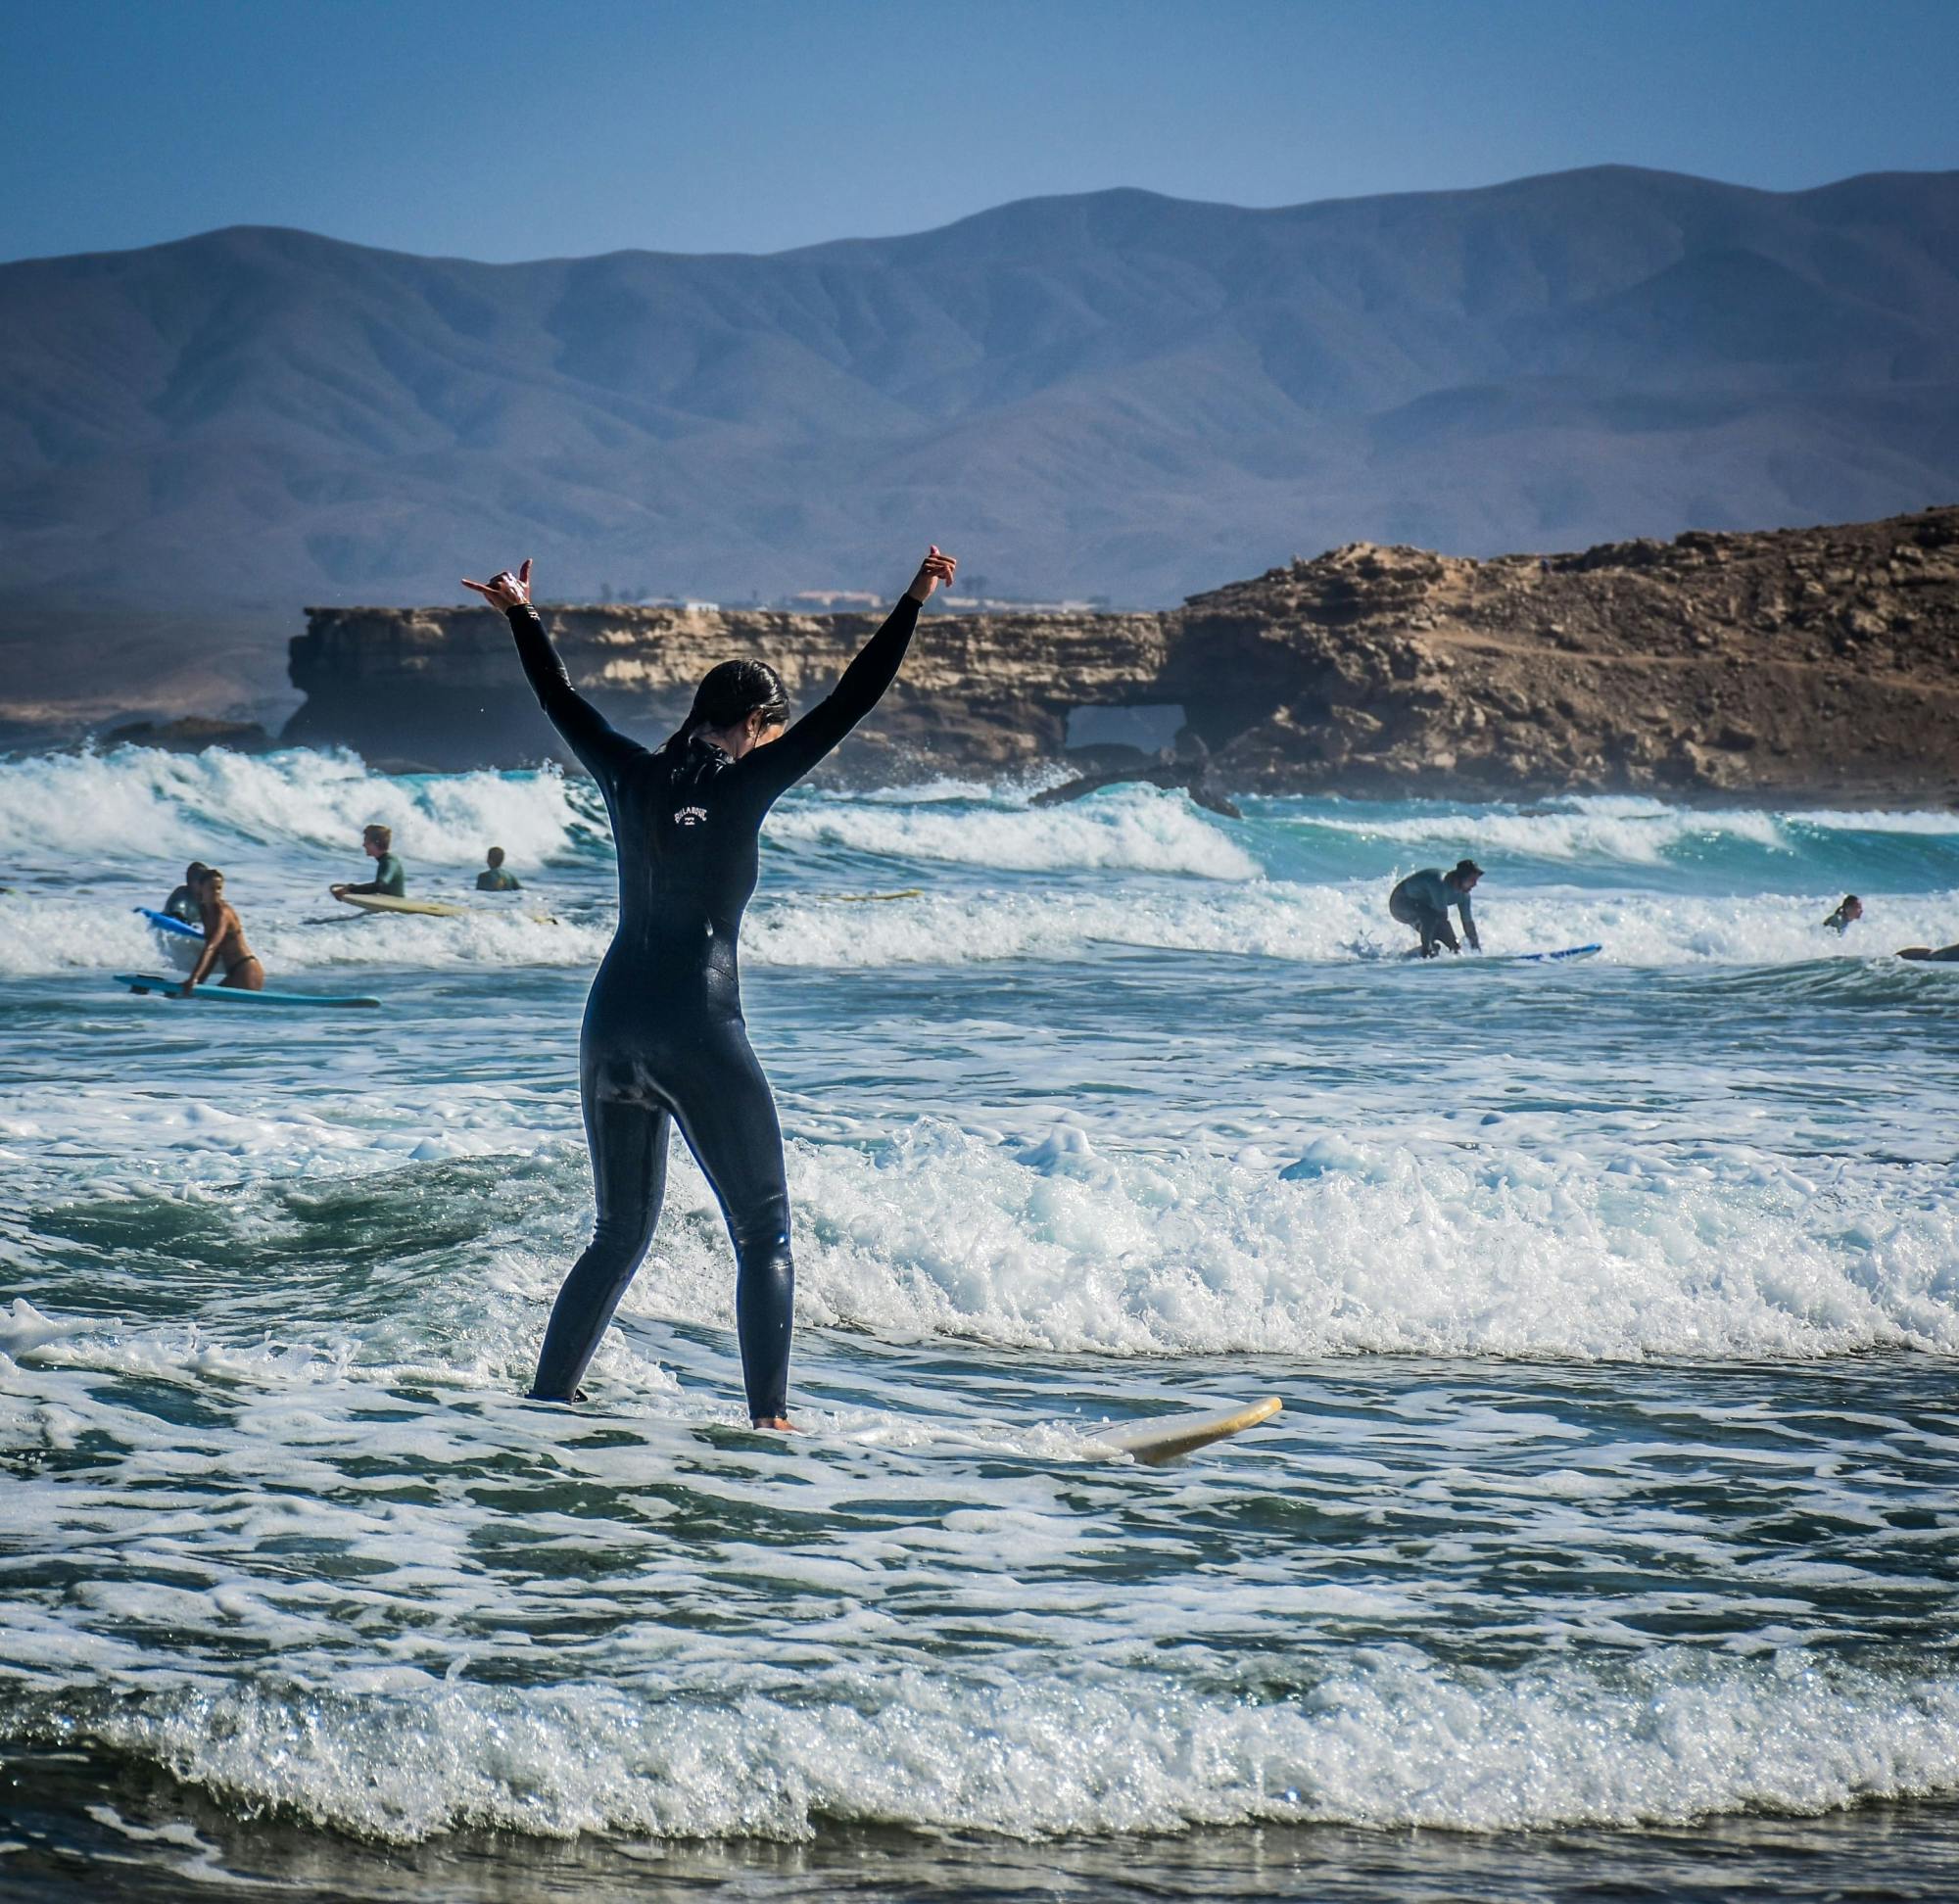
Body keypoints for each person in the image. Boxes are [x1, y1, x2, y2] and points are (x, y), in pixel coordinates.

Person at [461, 546, 957, 1429]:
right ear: (756, 722)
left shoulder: (626, 773)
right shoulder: (746, 784)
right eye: (769, 729)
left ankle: (547, 1403)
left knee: (618, 1233)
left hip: (611, 1027)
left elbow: (559, 699)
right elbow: (853, 699)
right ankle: (770, 1422)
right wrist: (913, 600)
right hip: (698, 1026)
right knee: (764, 1232)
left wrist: (523, 617)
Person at [1031, 735, 1242, 820]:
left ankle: (1039, 802)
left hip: (1127, 785)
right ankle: (1040, 802)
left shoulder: (1183, 778)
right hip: (1129, 785)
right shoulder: (1178, 777)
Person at [177, 867, 263, 993]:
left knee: (206, 1001)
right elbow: (214, 953)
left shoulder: (222, 912)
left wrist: (194, 978)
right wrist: (198, 981)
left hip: (246, 969)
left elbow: (211, 947)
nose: (216, 892)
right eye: (211, 888)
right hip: (234, 971)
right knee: (200, 1000)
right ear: (201, 888)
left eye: (219, 888)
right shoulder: (204, 910)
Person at [1390, 860, 1483, 957]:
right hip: (1400, 903)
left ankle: (1414, 953)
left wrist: (1476, 950)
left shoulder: (1464, 896)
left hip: (1422, 909)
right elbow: (1442, 918)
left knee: (1453, 947)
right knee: (1431, 917)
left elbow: (1468, 924)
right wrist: (1451, 943)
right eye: (1472, 880)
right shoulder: (1439, 883)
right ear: (1460, 877)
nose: (1475, 884)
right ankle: (1425, 951)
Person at [331, 825, 405, 900]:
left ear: (376, 843)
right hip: (387, 903)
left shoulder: (389, 861)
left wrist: (351, 889)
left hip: (396, 905)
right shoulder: (384, 860)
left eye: (366, 841)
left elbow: (379, 886)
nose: (363, 845)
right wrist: (352, 888)